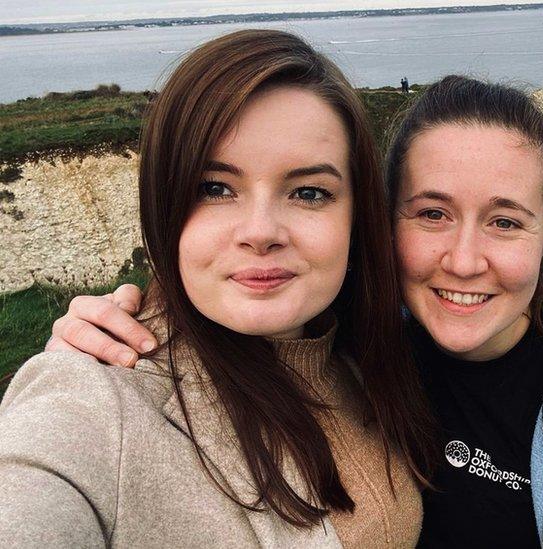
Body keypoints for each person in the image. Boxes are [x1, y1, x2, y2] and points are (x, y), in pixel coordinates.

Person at [46, 76, 543, 547]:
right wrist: (116, 330)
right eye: (431, 213)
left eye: (505, 221)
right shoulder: (344, 336)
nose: (463, 260)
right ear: (382, 223)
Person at [0, 29, 437, 547]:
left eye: (309, 192)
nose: (260, 232)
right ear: (165, 206)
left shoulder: (376, 355)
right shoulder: (96, 402)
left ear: (355, 217)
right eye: (215, 188)